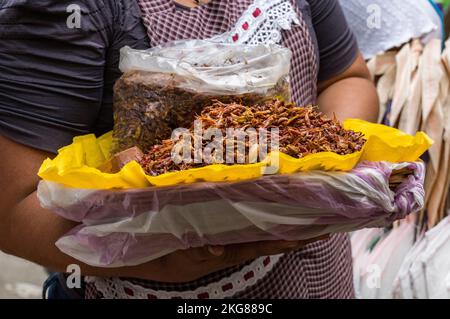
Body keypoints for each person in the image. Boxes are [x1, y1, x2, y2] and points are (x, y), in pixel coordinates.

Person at [0, 0, 379, 299]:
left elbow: (347, 77)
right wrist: (164, 257)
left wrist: (322, 166)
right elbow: (13, 212)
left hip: (318, 272)